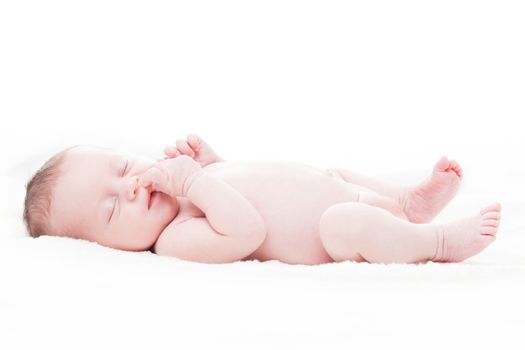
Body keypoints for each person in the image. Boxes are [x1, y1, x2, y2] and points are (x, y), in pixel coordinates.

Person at [23, 134, 501, 265]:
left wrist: (212, 163)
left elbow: (242, 181)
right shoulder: (173, 241)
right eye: (111, 209)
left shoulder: (190, 184)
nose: (130, 187)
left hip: (334, 188)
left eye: (123, 168)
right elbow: (245, 228)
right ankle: (434, 242)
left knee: (335, 174)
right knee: (346, 220)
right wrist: (194, 183)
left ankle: (406, 203)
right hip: (331, 233)